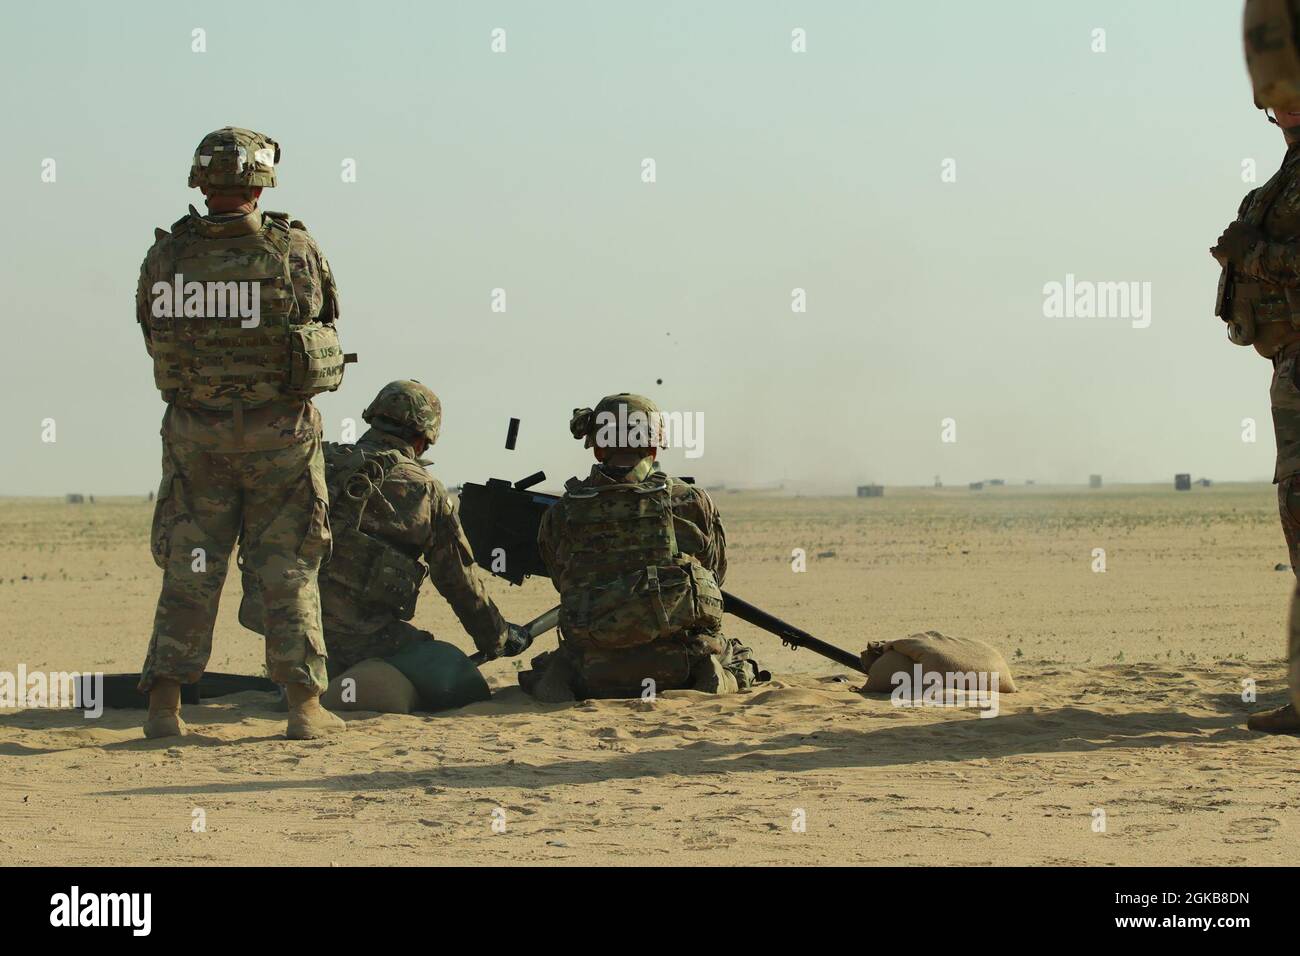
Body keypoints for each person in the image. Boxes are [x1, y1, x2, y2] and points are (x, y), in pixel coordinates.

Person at [137, 127, 347, 740]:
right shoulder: (293, 250)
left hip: (196, 438)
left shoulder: (167, 255)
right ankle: (304, 706)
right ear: (262, 181)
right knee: (288, 568)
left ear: (201, 181)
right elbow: (322, 323)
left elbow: (154, 335)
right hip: (280, 437)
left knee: (190, 567)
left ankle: (164, 707)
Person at [241, 380, 525, 704]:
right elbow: (458, 580)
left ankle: (309, 679)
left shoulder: (315, 461)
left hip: (285, 624)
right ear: (423, 438)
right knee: (460, 679)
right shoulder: (423, 490)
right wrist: (498, 637)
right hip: (362, 638)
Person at [523, 393, 760, 701]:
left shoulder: (561, 513)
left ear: (597, 448)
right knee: (738, 656)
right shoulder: (691, 501)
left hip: (594, 670)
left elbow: (561, 579)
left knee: (546, 667)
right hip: (681, 665)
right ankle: (713, 674)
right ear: (653, 443)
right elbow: (715, 575)